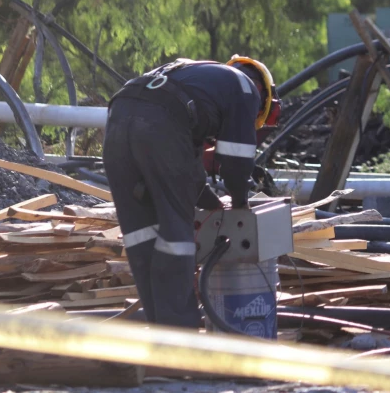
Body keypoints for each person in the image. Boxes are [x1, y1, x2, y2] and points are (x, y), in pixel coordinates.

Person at [103, 55, 280, 328]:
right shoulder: (247, 90)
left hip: (118, 118)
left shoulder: (195, 76)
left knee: (141, 237)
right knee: (177, 235)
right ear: (263, 97)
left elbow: (188, 169)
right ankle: (181, 338)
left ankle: (160, 336)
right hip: (158, 124)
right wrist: (240, 206)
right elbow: (236, 163)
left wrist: (211, 203)